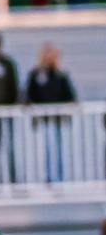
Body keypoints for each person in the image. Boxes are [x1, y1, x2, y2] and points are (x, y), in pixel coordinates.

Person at [25, 42, 77, 183]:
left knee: (57, 150)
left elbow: (70, 95)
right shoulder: (36, 75)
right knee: (45, 150)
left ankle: (59, 177)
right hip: (43, 120)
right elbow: (29, 94)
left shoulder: (60, 76)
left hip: (57, 119)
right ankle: (47, 177)